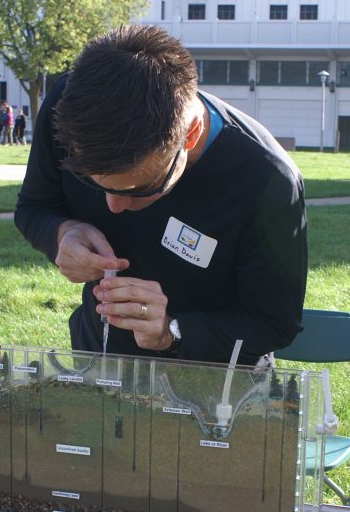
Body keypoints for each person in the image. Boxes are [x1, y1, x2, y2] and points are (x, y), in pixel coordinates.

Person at [15, 25, 307, 365]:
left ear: (191, 134)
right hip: (99, 359)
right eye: (93, 183)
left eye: (142, 188)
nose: (114, 207)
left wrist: (171, 332)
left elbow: (273, 324)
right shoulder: (70, 109)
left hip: (218, 384)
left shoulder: (266, 180)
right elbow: (34, 207)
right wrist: (62, 233)